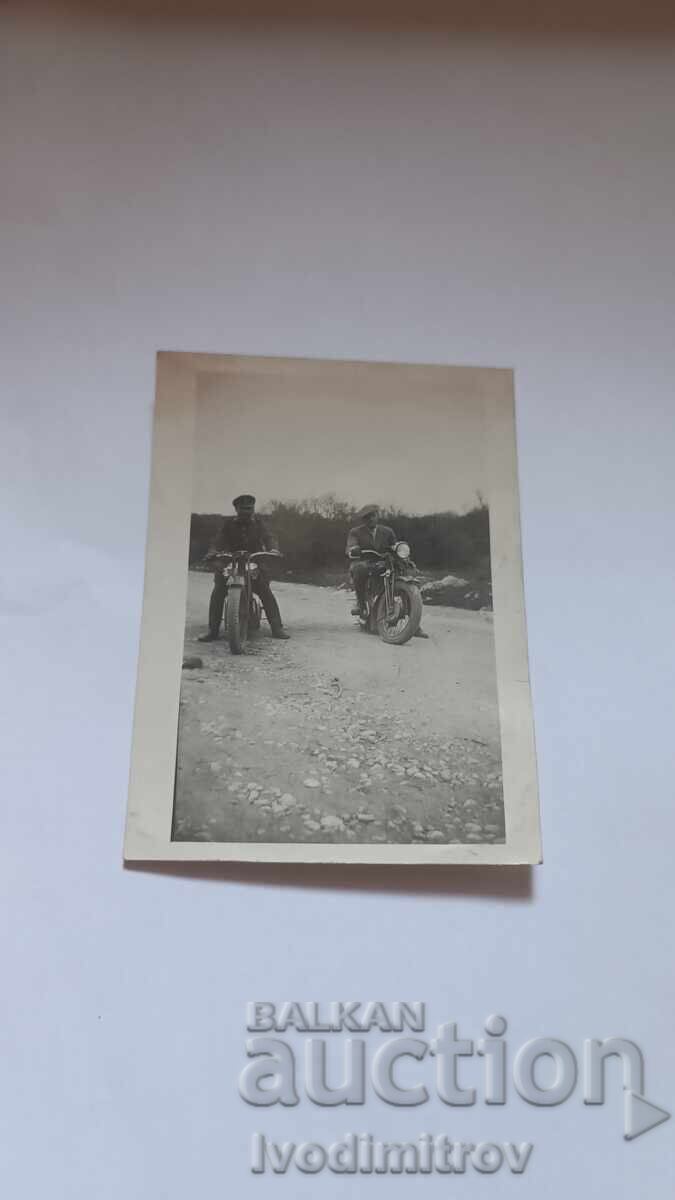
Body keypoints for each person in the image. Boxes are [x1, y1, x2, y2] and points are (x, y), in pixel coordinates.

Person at [198, 494, 290, 641]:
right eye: (243, 509)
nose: (247, 512)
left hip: (254, 562)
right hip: (232, 563)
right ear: (236, 509)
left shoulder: (259, 524)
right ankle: (213, 630)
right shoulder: (228, 525)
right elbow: (218, 541)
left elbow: (269, 537)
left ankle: (277, 628)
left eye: (250, 508)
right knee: (219, 590)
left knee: (265, 591)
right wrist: (213, 552)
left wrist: (273, 549)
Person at [346, 504, 428, 637]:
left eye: (373, 516)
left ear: (377, 516)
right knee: (358, 570)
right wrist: (354, 548)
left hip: (384, 562)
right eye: (367, 517)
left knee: (405, 573)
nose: (371, 519)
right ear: (363, 520)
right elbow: (351, 545)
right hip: (365, 562)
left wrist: (398, 549)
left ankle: (414, 624)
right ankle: (361, 605)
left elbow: (393, 546)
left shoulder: (387, 531)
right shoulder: (355, 532)